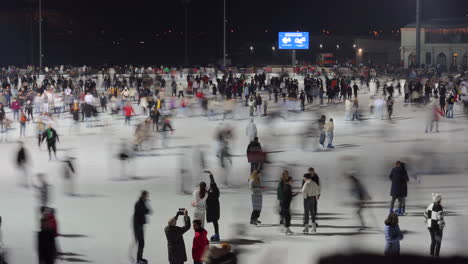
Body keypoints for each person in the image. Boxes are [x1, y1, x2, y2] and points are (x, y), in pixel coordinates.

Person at [424, 193, 445, 257]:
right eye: (440, 199)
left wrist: (427, 221)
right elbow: (440, 218)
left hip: (430, 226)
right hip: (437, 227)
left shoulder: (430, 205)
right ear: (439, 200)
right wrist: (442, 226)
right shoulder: (439, 207)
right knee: (438, 242)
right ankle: (436, 257)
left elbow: (425, 214)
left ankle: (431, 255)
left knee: (433, 241)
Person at [133, 191, 151, 264]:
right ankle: (139, 259)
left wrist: (145, 204)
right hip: (138, 226)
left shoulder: (142, 203)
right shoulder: (139, 203)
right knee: (141, 243)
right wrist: (145, 204)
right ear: (143, 196)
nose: (147, 197)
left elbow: (148, 211)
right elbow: (143, 212)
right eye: (146, 196)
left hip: (140, 225)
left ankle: (140, 258)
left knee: (141, 243)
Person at [206, 172, 221, 242]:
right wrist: (211, 175)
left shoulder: (211, 192)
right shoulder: (216, 191)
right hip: (216, 208)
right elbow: (213, 183)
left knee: (214, 221)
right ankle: (217, 234)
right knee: (215, 222)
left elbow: (212, 183)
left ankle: (217, 235)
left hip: (212, 209)